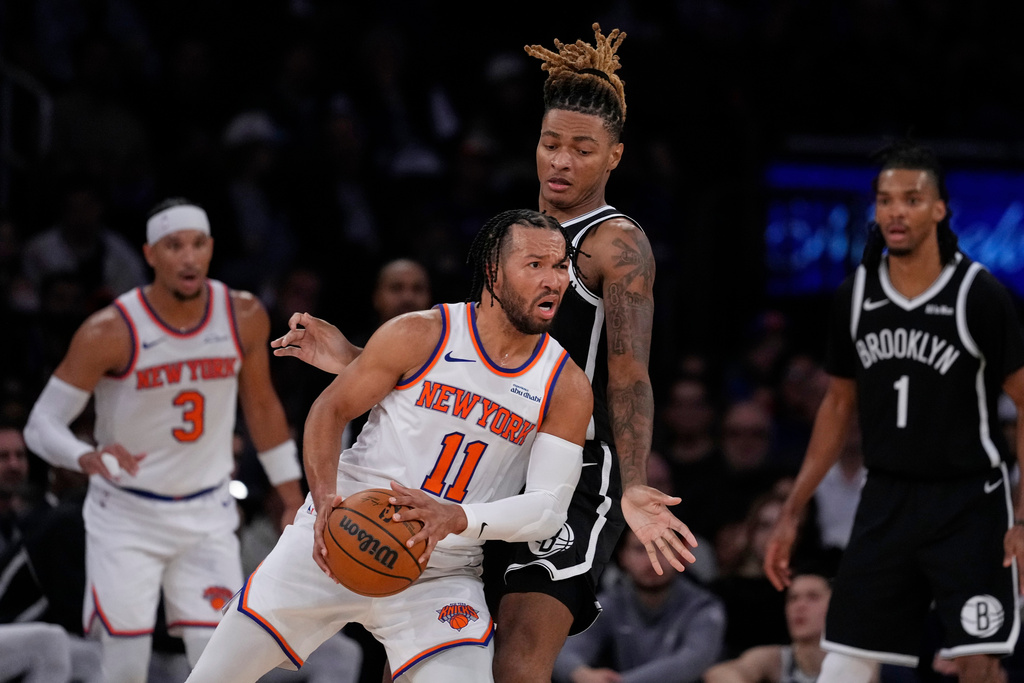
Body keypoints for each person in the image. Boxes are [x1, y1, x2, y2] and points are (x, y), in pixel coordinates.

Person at [271, 24, 695, 682]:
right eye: (550, 143)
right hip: (492, 461)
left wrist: (634, 480)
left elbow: (630, 370)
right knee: (421, 660)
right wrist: (357, 359)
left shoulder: (618, 244)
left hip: (574, 472)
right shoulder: (516, 237)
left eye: (581, 149)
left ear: (613, 155)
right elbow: (464, 367)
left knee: (517, 664)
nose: (560, 161)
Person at [185, 208, 594, 683]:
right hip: (340, 534)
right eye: (535, 265)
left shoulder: (565, 384)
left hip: (442, 572)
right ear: (492, 273)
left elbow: (546, 510)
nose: (554, 280)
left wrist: (455, 517)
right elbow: (329, 411)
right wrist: (324, 506)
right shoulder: (421, 333)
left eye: (561, 265)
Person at [764, 141, 1024, 683]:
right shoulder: (855, 297)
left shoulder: (980, 295)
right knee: (845, 658)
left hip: (969, 499)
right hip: (886, 497)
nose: (895, 211)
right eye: (885, 200)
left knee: (979, 660)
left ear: (939, 209)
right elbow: (836, 408)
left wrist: (1021, 514)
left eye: (911, 199)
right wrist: (792, 507)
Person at [23, 198, 306, 682]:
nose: (189, 257)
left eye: (198, 245)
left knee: (220, 662)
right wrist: (83, 454)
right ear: (150, 254)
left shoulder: (242, 314)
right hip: (127, 515)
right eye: (174, 247)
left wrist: (291, 495)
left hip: (206, 512)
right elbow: (40, 424)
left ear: (212, 248)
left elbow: (261, 408)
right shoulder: (110, 330)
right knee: (126, 668)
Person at [552, 528, 726, 683]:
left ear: (681, 553)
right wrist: (582, 674)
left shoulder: (704, 606)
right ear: (622, 557)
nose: (653, 560)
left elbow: (693, 661)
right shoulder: (611, 603)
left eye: (662, 548)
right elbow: (564, 652)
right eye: (640, 549)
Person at [704, 572, 855, 683]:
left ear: (837, 607)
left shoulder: (857, 662)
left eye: (813, 597)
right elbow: (718, 673)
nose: (799, 606)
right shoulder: (777, 658)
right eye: (793, 598)